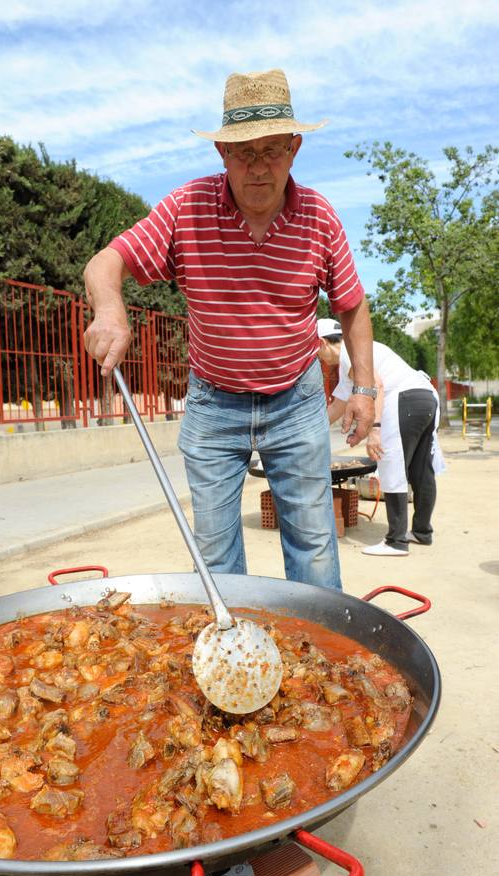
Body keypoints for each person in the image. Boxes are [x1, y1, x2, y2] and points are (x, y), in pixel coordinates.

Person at [83, 68, 377, 590]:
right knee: (215, 552)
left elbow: (351, 305)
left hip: (297, 399)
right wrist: (109, 310)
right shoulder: (187, 208)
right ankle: (234, 661)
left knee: (312, 542)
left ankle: (319, 656)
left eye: (271, 151)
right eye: (243, 152)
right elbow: (106, 262)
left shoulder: (319, 217)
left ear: (294, 149)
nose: (258, 167)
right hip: (213, 404)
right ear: (222, 153)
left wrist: (365, 390)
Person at [317, 318, 445, 556]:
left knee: (391, 465)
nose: (319, 359)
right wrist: (312, 433)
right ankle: (421, 532)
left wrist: (374, 430)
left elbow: (376, 385)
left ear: (321, 343)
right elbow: (338, 406)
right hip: (425, 397)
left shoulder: (350, 353)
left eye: (316, 352)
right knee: (420, 469)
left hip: (403, 399)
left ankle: (396, 541)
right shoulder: (353, 357)